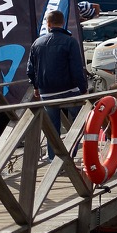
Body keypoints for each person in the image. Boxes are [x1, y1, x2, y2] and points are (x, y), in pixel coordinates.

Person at [26, 10, 88, 161]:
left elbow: (30, 69)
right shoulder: (70, 41)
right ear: (63, 22)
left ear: (48, 24)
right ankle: (76, 153)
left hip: (47, 92)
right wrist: (84, 89)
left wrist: (35, 87)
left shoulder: (37, 43)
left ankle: (54, 158)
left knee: (52, 128)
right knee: (80, 122)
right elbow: (76, 68)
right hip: (70, 90)